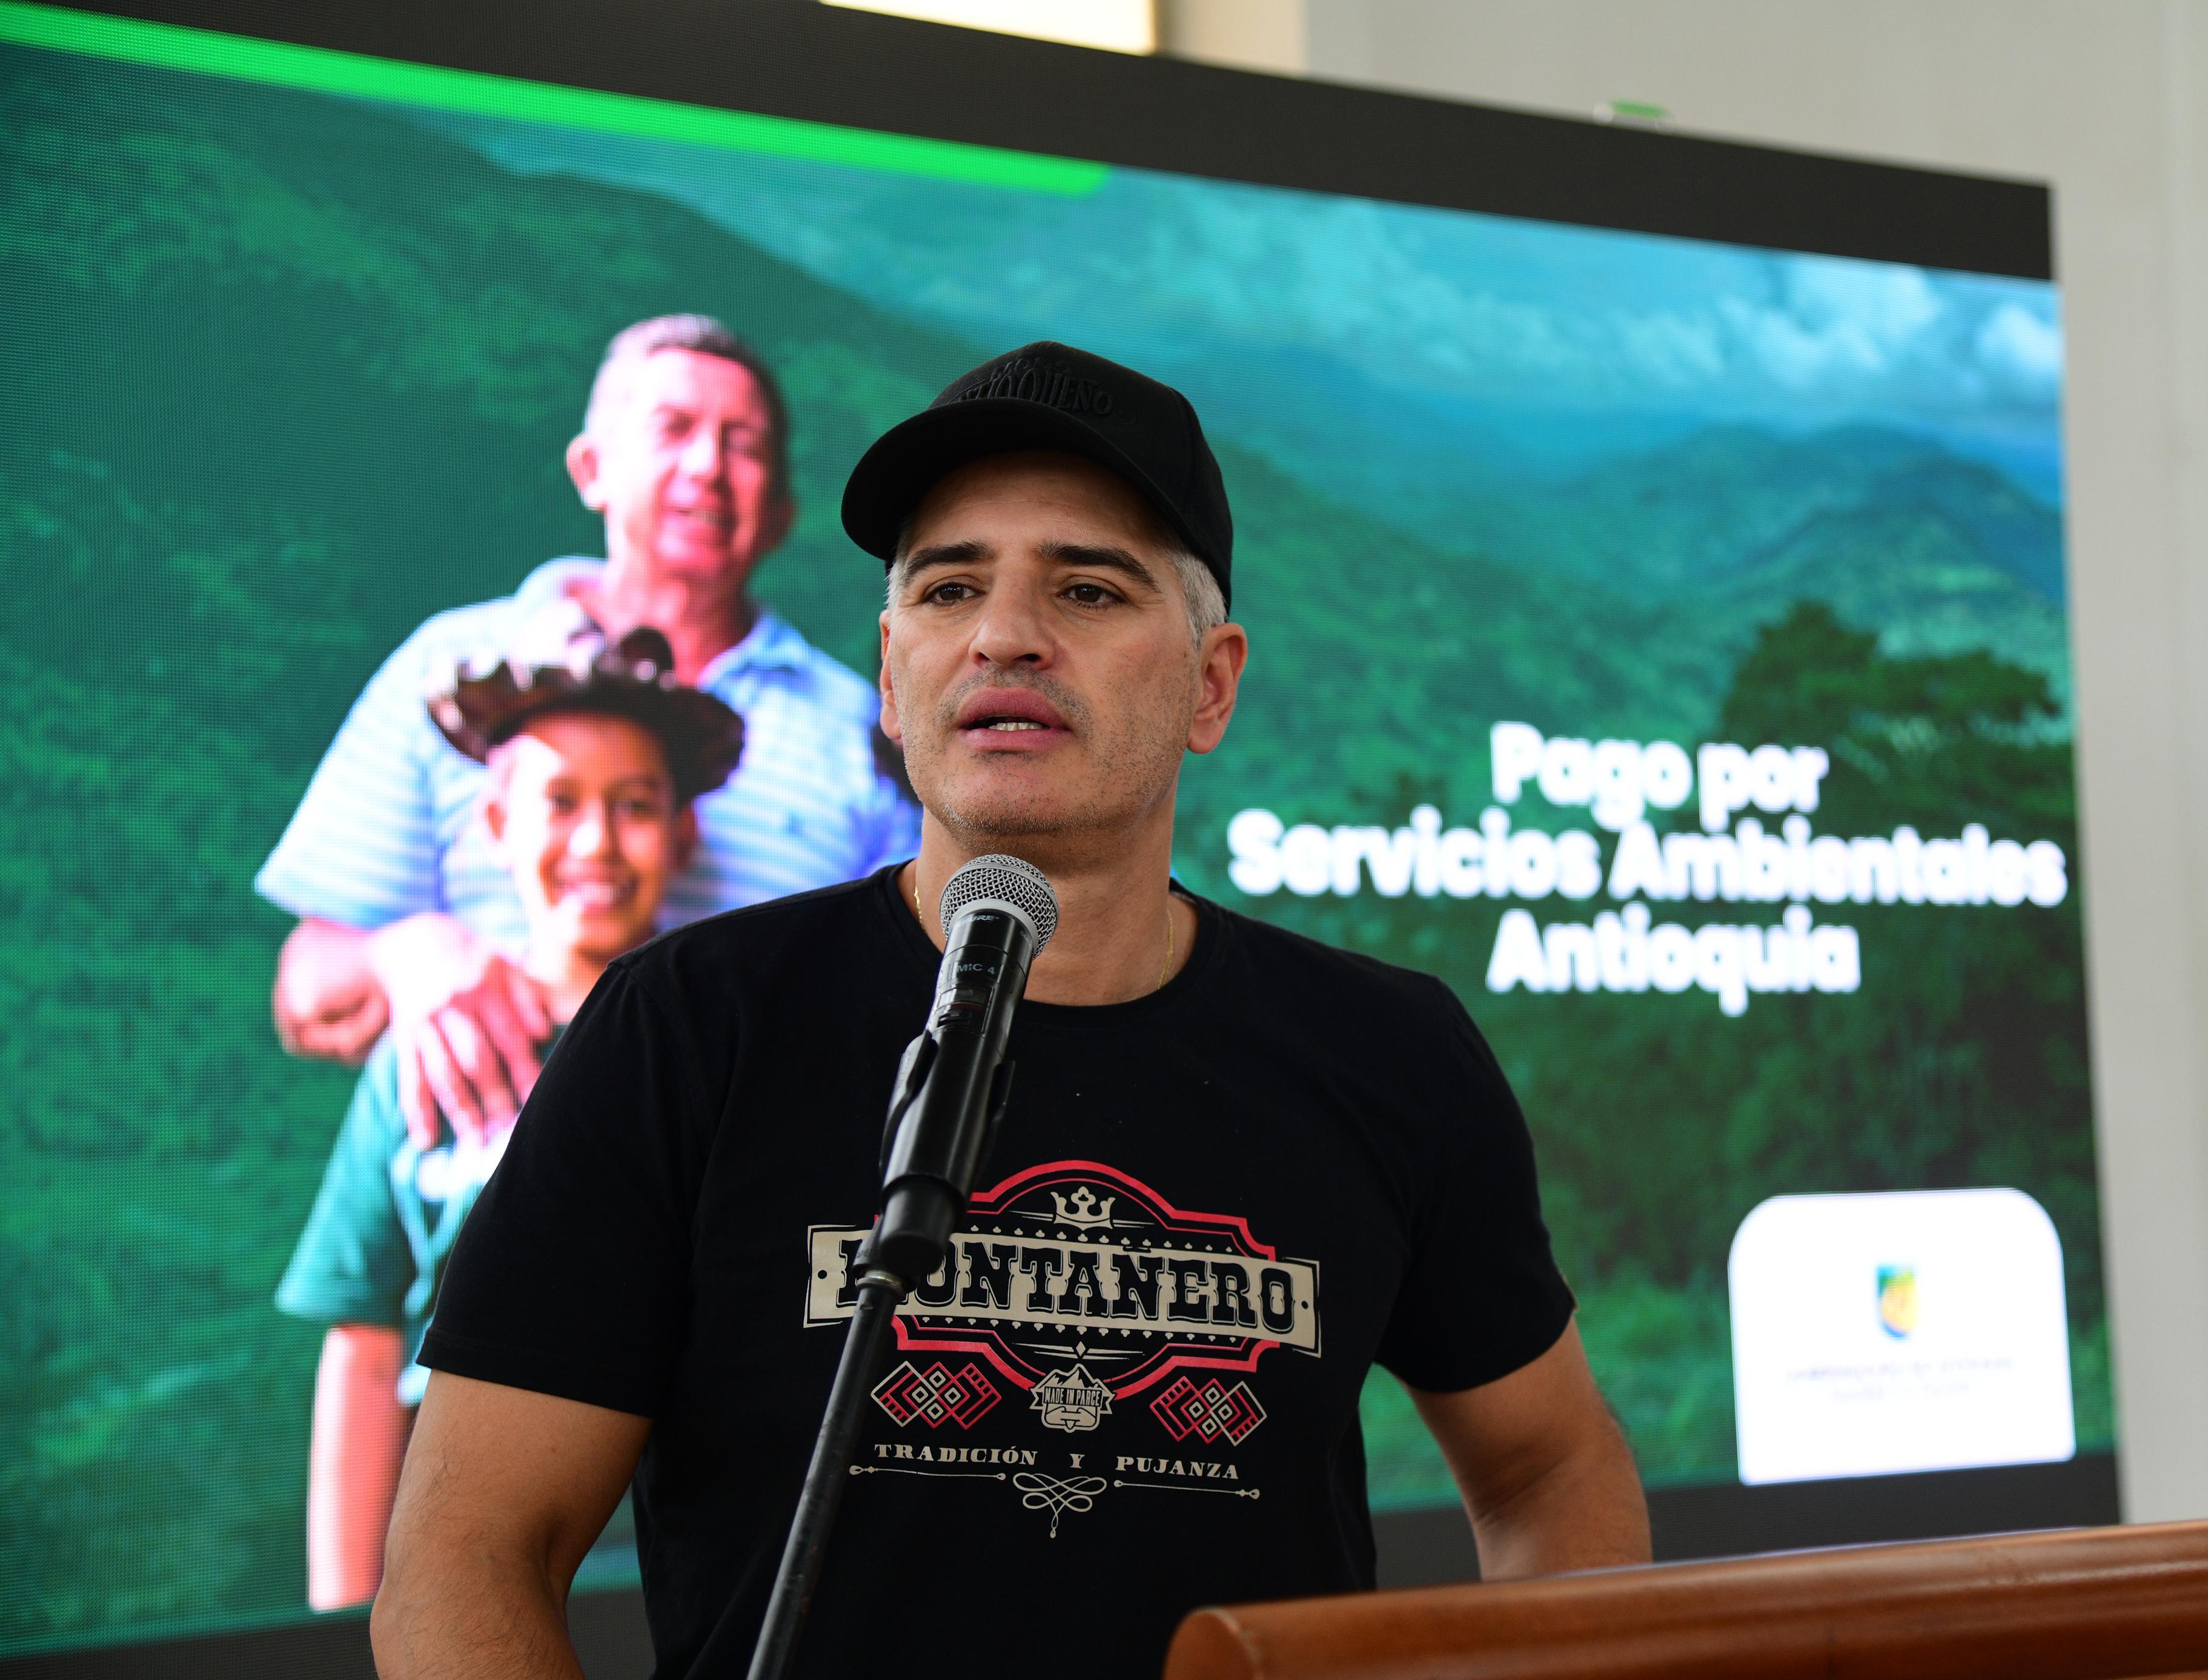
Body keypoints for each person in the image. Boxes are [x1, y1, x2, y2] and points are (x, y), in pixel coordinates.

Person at [373, 342, 1650, 1679]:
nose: (1002, 634)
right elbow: (469, 1547)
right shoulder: (685, 1026)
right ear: (889, 667)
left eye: (1086, 588)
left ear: (1211, 683)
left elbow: (1548, 1468)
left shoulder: (1386, 1053)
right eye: (949, 586)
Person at [259, 315, 920, 1152]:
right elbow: (307, 990)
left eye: (743, 445)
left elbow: (909, 1012)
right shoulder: (451, 670)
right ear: (591, 468)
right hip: (473, 1223)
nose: (708, 467)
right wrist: (407, 952)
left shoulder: (865, 731)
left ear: (783, 511)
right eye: (672, 429)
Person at [274, 622, 738, 1612]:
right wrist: (346, 1618)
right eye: (559, 801)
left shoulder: (734, 1054)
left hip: (681, 1583)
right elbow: (362, 1344)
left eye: (636, 805)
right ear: (494, 824)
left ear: (684, 830)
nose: (597, 843)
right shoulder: (420, 1059)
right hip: (456, 1582)